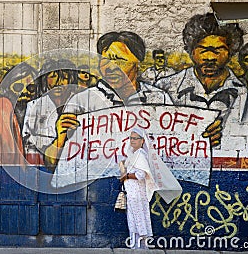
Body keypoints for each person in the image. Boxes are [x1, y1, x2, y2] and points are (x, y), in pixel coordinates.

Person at [44, 31, 172, 168]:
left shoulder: (159, 98)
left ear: (138, 62)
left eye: (119, 60)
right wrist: (60, 140)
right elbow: (51, 163)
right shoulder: (82, 101)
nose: (110, 68)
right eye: (105, 61)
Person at [155, 13, 245, 150]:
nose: (210, 57)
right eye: (203, 50)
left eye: (219, 50)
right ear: (191, 51)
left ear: (231, 53)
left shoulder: (245, 93)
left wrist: (228, 135)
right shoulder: (165, 88)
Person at [118, 127, 182, 249]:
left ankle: (141, 246)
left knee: (138, 218)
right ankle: (136, 246)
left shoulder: (140, 155)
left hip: (137, 193)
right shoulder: (134, 155)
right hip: (132, 193)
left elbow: (141, 175)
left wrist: (126, 175)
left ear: (142, 141)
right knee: (133, 219)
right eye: (131, 138)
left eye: (135, 138)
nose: (132, 141)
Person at [22, 59, 77, 165]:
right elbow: (28, 144)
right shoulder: (34, 106)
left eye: (64, 78)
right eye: (53, 77)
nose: (58, 83)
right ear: (45, 79)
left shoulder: (80, 103)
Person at [0, 62, 38, 129]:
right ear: (7, 88)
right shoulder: (0, 113)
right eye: (18, 87)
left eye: (31, 87)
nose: (25, 91)